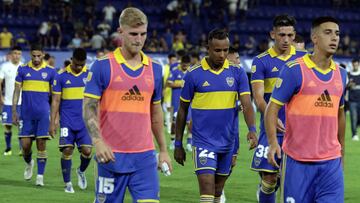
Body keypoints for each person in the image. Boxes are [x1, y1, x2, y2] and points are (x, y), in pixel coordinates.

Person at [83, 7, 172, 202]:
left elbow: (156, 114)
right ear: (120, 32)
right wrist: (98, 142)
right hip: (111, 157)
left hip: (145, 159)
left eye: (143, 34)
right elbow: (88, 108)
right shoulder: (102, 66)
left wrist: (163, 150)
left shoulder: (155, 69)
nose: (139, 39)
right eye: (133, 34)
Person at [265, 16, 346, 203]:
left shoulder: (341, 74)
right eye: (328, 33)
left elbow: (340, 115)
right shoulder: (294, 70)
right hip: (297, 162)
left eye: (337, 34)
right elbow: (272, 108)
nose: (334, 38)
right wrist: (272, 143)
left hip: (330, 164)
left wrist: (342, 154)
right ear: (315, 38)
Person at [174, 28, 257, 203]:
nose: (222, 54)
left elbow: (247, 103)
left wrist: (252, 129)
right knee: (206, 189)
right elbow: (182, 109)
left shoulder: (237, 72)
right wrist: (178, 144)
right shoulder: (193, 73)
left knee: (218, 191)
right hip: (203, 141)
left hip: (227, 142)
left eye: (225, 50)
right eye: (217, 50)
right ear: (208, 48)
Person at [250, 14, 306, 203]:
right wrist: (272, 117)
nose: (286, 40)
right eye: (281, 35)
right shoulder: (261, 61)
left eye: (290, 36)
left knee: (292, 182)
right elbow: (258, 97)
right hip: (271, 128)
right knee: (269, 178)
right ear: (272, 34)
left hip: (297, 131)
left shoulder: (304, 59)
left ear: (294, 35)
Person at [13, 44, 56, 186]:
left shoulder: (50, 71)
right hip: (26, 114)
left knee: (41, 144)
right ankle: (29, 162)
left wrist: (55, 118)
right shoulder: (23, 69)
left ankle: (40, 177)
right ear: (31, 55)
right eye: (34, 56)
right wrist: (14, 110)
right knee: (25, 146)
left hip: (43, 114)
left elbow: (55, 97)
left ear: (43, 54)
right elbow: (17, 91)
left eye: (39, 56)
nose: (36, 58)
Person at [49, 48, 92, 193]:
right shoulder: (60, 75)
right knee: (67, 150)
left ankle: (81, 171)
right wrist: (53, 122)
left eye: (82, 64)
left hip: (85, 121)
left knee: (87, 151)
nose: (79, 67)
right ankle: (67, 183)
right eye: (77, 64)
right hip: (67, 121)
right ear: (72, 59)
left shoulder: (90, 75)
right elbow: (55, 100)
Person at [219, 45, 242, 203]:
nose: (239, 61)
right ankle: (217, 191)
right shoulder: (218, 74)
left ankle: (220, 186)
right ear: (229, 58)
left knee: (231, 162)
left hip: (233, 128)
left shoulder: (238, 74)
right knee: (216, 162)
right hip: (216, 127)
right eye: (237, 58)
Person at [167, 54, 192, 152]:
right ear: (181, 63)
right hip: (177, 102)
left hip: (189, 103)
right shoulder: (175, 71)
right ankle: (173, 141)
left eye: (186, 65)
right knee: (174, 123)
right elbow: (169, 83)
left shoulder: (192, 73)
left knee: (189, 123)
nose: (185, 66)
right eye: (183, 65)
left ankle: (189, 143)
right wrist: (180, 83)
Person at [0, 46, 22, 156]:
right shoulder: (5, 66)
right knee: (7, 126)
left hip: (21, 102)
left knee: (21, 126)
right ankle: (8, 148)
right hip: (8, 102)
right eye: (15, 53)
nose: (16, 55)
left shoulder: (23, 67)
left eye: (18, 53)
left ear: (21, 55)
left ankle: (22, 149)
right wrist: (0, 97)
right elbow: (0, 82)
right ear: (11, 54)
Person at [163, 53, 177, 135]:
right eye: (173, 60)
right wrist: (163, 90)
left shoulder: (177, 68)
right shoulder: (165, 68)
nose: (174, 61)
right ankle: (169, 128)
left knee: (175, 112)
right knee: (168, 111)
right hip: (168, 93)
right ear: (169, 59)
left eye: (175, 60)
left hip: (175, 94)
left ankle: (176, 127)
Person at [347, 58, 360, 141]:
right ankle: (354, 134)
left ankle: (356, 127)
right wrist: (349, 85)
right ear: (352, 65)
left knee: (358, 118)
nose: (355, 65)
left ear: (358, 64)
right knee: (353, 117)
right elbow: (345, 87)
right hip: (352, 101)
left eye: (356, 64)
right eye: (353, 64)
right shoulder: (349, 75)